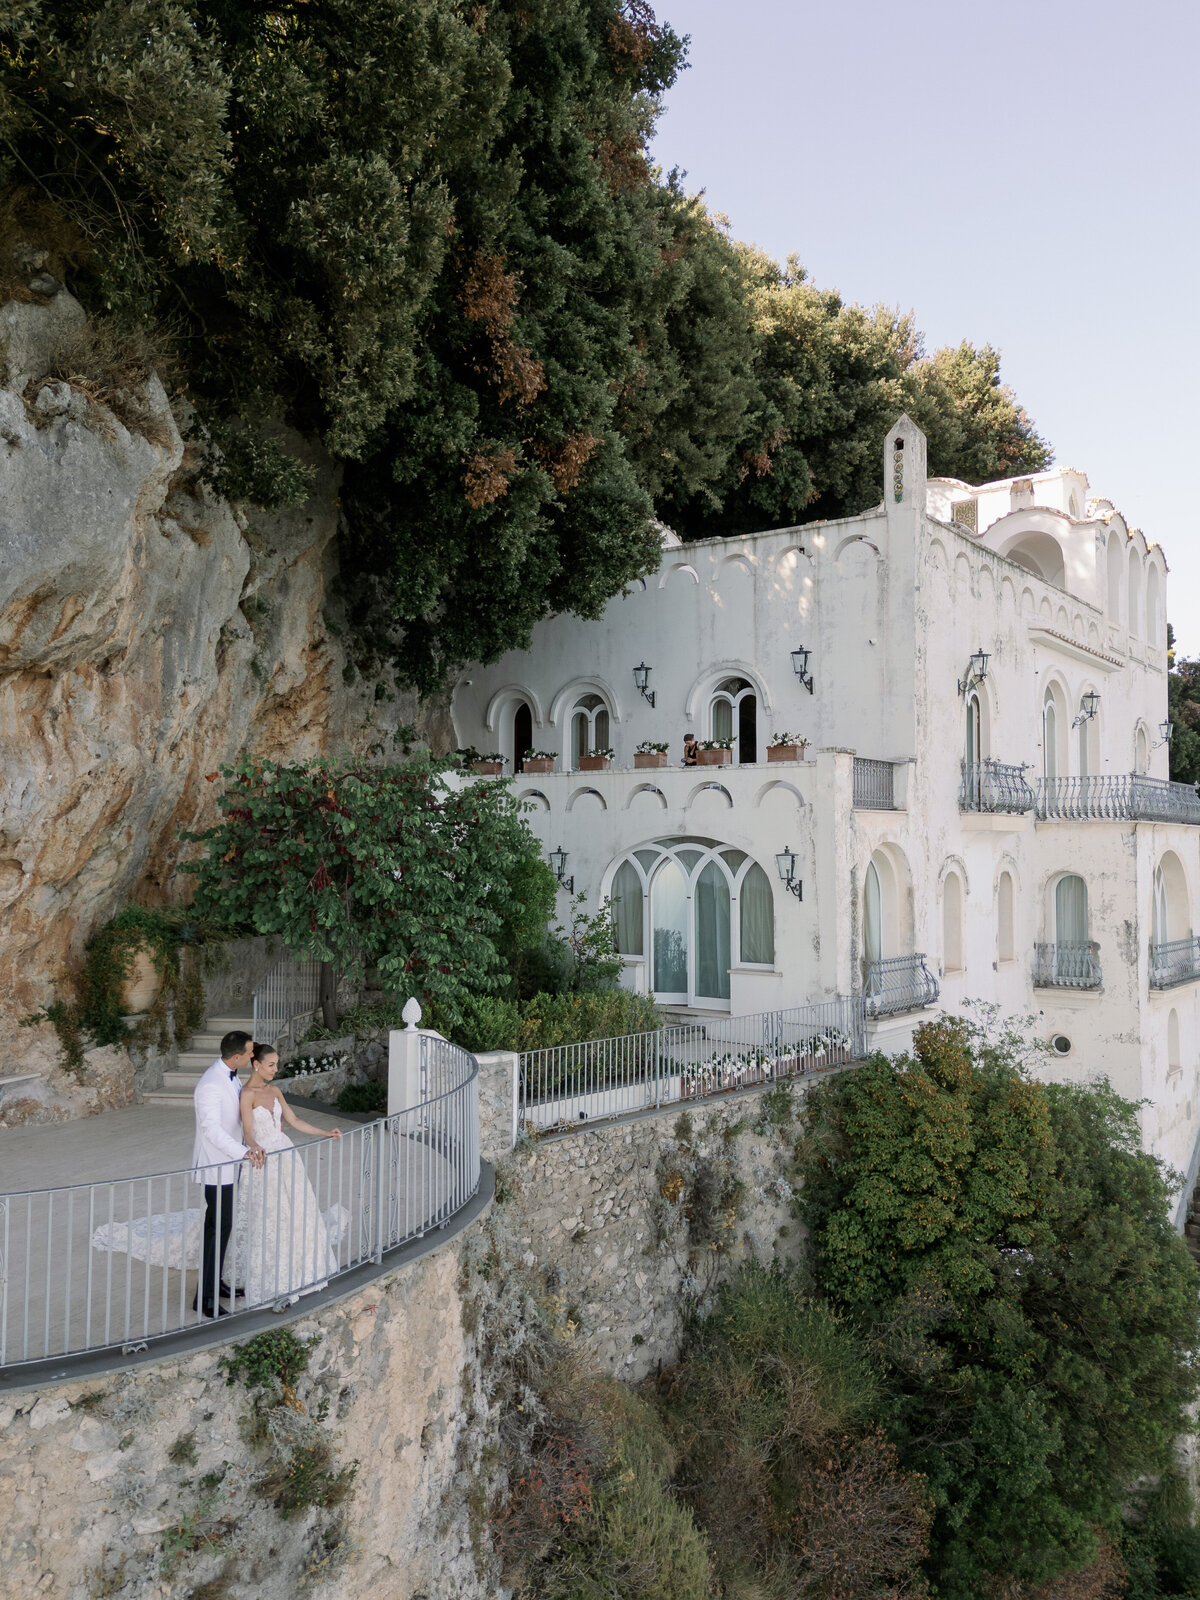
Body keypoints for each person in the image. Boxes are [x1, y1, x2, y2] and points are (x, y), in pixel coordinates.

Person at [237, 1041, 342, 1306]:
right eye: (271, 1064)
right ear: (256, 1065)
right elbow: (247, 1130)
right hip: (264, 1159)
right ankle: (275, 1273)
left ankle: (304, 1266)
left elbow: (293, 1121)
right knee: (271, 1216)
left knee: (297, 1209)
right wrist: (254, 1146)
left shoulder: (274, 1090)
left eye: (276, 1064)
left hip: (286, 1154)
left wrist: (325, 1132)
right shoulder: (246, 1093)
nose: (276, 1069)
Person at [191, 1029, 264, 1318]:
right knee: (218, 1230)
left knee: (221, 1228)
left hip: (228, 1163)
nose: (252, 1055)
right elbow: (211, 1130)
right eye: (249, 1052)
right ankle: (205, 1300)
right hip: (215, 1166)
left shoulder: (230, 1077)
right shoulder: (210, 1084)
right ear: (236, 1057)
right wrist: (242, 1151)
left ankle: (215, 1284)